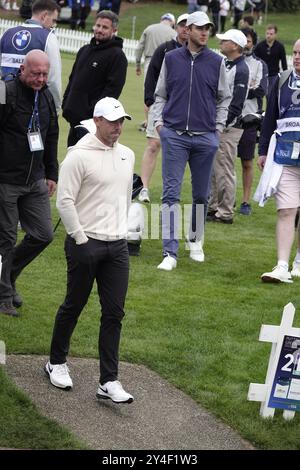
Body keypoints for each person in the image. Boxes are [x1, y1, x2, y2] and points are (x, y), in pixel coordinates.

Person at [45, 97, 135, 404]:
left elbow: (124, 196)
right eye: (112, 122)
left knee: (114, 313)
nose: (118, 127)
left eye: (121, 121)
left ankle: (108, 380)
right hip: (86, 243)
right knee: (75, 304)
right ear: (97, 121)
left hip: (117, 246)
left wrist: (120, 233)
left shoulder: (127, 155)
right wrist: (81, 240)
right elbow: (65, 201)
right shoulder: (77, 156)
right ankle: (56, 362)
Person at [152, 11, 231, 271]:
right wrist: (159, 124)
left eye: (208, 28)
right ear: (187, 29)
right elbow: (160, 94)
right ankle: (169, 252)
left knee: (201, 195)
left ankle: (195, 240)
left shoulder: (217, 62)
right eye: (200, 28)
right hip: (174, 135)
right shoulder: (171, 59)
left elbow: (224, 98)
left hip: (205, 138)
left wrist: (217, 129)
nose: (205, 32)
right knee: (170, 194)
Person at [0, 50, 59, 317]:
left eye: (45, 74)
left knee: (43, 234)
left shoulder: (46, 95)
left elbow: (52, 135)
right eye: (36, 73)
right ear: (22, 69)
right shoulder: (5, 91)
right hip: (6, 180)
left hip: (35, 179)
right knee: (6, 239)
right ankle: (3, 297)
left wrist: (51, 174)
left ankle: (7, 276)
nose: (40, 78)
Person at [254, 39, 300, 284]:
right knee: (286, 210)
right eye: (295, 52)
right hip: (284, 156)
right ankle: (282, 265)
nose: (297, 57)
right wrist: (262, 150)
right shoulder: (282, 81)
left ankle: (299, 262)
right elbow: (270, 117)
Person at [138, 13, 189, 203]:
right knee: (153, 144)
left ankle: (170, 190)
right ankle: (144, 188)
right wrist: (149, 101)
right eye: (182, 25)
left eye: (188, 25)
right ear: (176, 27)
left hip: (182, 107)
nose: (184, 29)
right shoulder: (164, 49)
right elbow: (151, 75)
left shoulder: (196, 53)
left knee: (176, 150)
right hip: (161, 103)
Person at [62, 10, 127, 147]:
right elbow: (72, 79)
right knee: (73, 161)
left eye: (104, 27)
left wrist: (93, 113)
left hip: (93, 123)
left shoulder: (117, 56)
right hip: (74, 119)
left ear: (114, 30)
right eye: (97, 26)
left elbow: (112, 90)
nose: (99, 30)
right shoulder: (84, 50)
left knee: (90, 165)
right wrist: (66, 103)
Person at [207, 29, 249, 224]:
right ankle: (214, 207)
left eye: (225, 40)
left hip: (229, 126)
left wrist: (221, 123)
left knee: (224, 168)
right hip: (221, 124)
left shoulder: (241, 69)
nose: (221, 43)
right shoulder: (226, 63)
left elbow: (236, 103)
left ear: (235, 46)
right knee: (216, 168)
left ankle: (225, 213)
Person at [0, 0, 62, 114]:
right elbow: (53, 79)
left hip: (4, 102)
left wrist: (2, 101)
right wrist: (55, 108)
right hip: (31, 106)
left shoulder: (7, 34)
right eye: (53, 20)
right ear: (44, 16)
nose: (54, 25)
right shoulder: (48, 37)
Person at [237, 28, 268, 216]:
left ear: (253, 43)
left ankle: (246, 201)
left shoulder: (259, 64)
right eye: (243, 40)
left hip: (250, 119)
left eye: (249, 41)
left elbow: (261, 90)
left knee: (247, 162)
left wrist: (240, 90)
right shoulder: (228, 62)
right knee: (221, 163)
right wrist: (247, 87)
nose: (246, 44)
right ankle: (223, 199)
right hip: (229, 119)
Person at [135, 13, 176, 80]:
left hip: (149, 61)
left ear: (161, 20)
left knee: (148, 88)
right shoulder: (174, 33)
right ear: (172, 22)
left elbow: (139, 48)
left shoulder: (149, 29)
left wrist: (138, 65)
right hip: (165, 64)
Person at [254, 24, 288, 99]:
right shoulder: (259, 46)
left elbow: (284, 63)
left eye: (271, 34)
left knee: (271, 97)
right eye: (267, 33)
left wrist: (286, 77)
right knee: (258, 96)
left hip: (274, 75)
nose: (268, 36)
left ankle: (271, 111)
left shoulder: (280, 46)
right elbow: (255, 61)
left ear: (275, 34)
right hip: (261, 75)